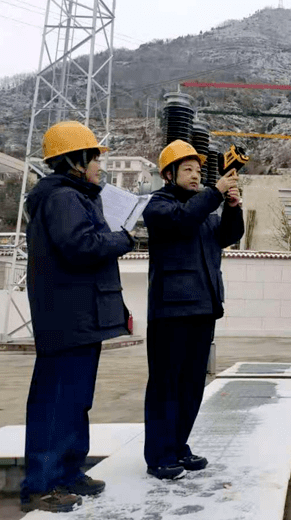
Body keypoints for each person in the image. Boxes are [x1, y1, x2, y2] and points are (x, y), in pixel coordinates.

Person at [21, 121, 135, 513]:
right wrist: (123, 238)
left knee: (74, 401)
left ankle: (68, 473)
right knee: (55, 403)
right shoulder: (63, 198)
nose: (100, 166)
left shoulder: (72, 196)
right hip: (67, 318)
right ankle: (42, 485)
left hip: (78, 316)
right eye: (95, 158)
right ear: (75, 161)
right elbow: (81, 245)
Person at [143, 140, 243, 480]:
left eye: (198, 170)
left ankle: (178, 446)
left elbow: (228, 235)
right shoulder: (159, 206)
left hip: (202, 308)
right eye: (187, 169)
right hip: (170, 311)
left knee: (190, 385)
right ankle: (159, 455)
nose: (195, 175)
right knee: (166, 384)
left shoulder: (203, 211)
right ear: (168, 175)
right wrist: (216, 193)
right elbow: (183, 220)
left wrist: (232, 207)